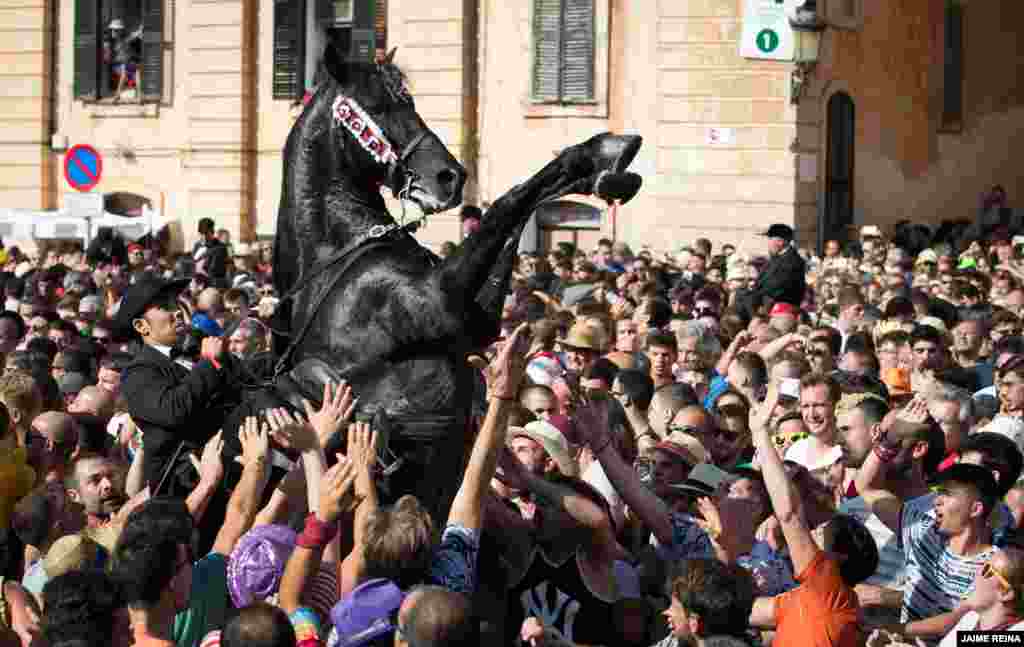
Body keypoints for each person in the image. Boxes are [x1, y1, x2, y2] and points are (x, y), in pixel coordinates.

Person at [115, 276, 232, 497]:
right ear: (142, 326)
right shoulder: (139, 372)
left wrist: (224, 360)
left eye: (175, 304)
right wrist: (209, 364)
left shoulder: (193, 353)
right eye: (164, 307)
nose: (177, 312)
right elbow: (173, 410)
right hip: (183, 484)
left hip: (226, 464)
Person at [737, 224, 806, 324]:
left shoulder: (792, 260)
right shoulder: (778, 257)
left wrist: (753, 291)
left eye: (770, 239)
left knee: (744, 296)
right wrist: (751, 286)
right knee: (740, 293)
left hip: (778, 307)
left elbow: (777, 287)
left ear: (781, 241)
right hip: (766, 301)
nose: (768, 244)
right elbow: (764, 280)